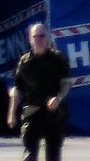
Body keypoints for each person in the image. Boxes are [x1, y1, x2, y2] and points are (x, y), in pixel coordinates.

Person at [10, 21, 72, 161]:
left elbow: (66, 83)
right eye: (35, 36)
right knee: (30, 154)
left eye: (42, 36)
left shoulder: (58, 59)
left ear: (48, 37)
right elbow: (17, 88)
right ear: (30, 39)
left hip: (54, 111)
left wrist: (58, 98)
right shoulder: (25, 62)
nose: (39, 40)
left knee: (53, 154)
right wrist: (12, 113)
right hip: (32, 110)